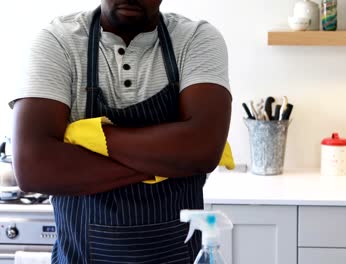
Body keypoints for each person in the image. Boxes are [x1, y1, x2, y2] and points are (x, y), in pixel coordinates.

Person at [10, 0, 232, 263]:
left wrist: (90, 137)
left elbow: (202, 150)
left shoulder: (195, 38)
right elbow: (32, 168)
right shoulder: (58, 41)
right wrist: (170, 161)